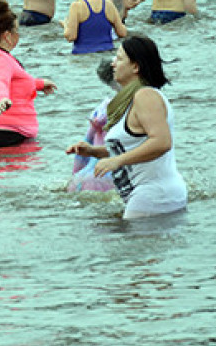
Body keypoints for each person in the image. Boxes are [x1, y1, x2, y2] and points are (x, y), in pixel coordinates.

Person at [66, 35, 187, 219]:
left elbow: (162, 142)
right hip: (150, 194)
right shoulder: (133, 98)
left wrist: (117, 161)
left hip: (153, 195)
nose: (113, 64)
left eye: (120, 58)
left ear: (136, 67)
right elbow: (133, 147)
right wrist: (94, 151)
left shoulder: (145, 96)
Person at [0, 0, 58, 148]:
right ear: (7, 35)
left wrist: (39, 84)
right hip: (6, 135)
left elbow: (14, 81)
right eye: (16, 30)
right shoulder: (0, 59)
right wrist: (2, 98)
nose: (18, 35)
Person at [67, 58, 118, 193]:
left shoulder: (102, 107)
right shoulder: (126, 106)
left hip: (90, 171)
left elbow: (87, 140)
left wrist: (75, 173)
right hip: (109, 172)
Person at [63, 0, 127, 54]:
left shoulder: (76, 6)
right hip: (107, 52)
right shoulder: (108, 4)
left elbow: (71, 37)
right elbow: (122, 33)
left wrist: (66, 25)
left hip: (83, 55)